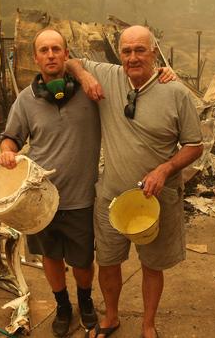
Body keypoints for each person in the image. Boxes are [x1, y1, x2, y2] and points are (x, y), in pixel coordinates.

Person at [66, 25, 204, 338]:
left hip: (155, 200)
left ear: (154, 53)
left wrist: (165, 169)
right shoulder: (110, 76)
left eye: (140, 50)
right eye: (126, 50)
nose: (132, 57)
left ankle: (148, 325)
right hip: (112, 197)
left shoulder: (176, 92)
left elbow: (195, 146)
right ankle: (111, 317)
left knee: (152, 265)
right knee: (109, 261)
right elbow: (71, 62)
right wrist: (85, 76)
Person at [0, 28, 101, 337]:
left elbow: (130, 78)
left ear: (67, 54)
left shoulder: (89, 91)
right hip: (40, 202)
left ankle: (85, 302)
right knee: (50, 257)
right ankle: (63, 306)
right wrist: (6, 153)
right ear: (35, 58)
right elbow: (10, 140)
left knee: (83, 261)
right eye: (44, 50)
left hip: (81, 197)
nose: (51, 54)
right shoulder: (26, 101)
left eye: (57, 49)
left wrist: (162, 72)